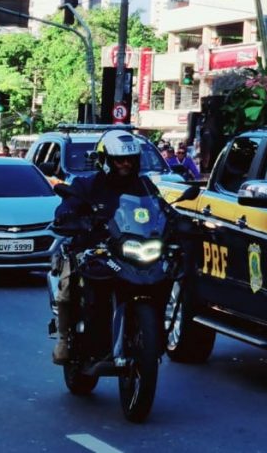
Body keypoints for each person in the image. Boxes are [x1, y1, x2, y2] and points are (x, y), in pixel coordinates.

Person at [51, 129, 169, 363]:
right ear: (105, 160)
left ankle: (155, 334)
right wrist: (70, 216)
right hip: (97, 250)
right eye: (120, 160)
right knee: (67, 289)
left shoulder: (144, 186)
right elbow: (68, 205)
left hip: (133, 251)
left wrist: (178, 222)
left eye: (131, 159)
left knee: (170, 273)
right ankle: (64, 339)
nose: (126, 164)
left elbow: (161, 209)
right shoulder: (87, 185)